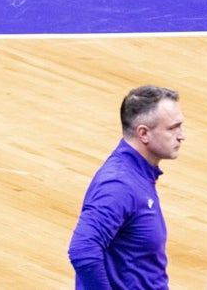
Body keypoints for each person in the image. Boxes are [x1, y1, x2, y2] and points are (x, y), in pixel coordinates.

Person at [68, 85, 185, 289]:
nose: (181, 135)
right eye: (172, 128)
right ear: (144, 134)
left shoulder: (137, 174)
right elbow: (83, 250)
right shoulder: (118, 185)